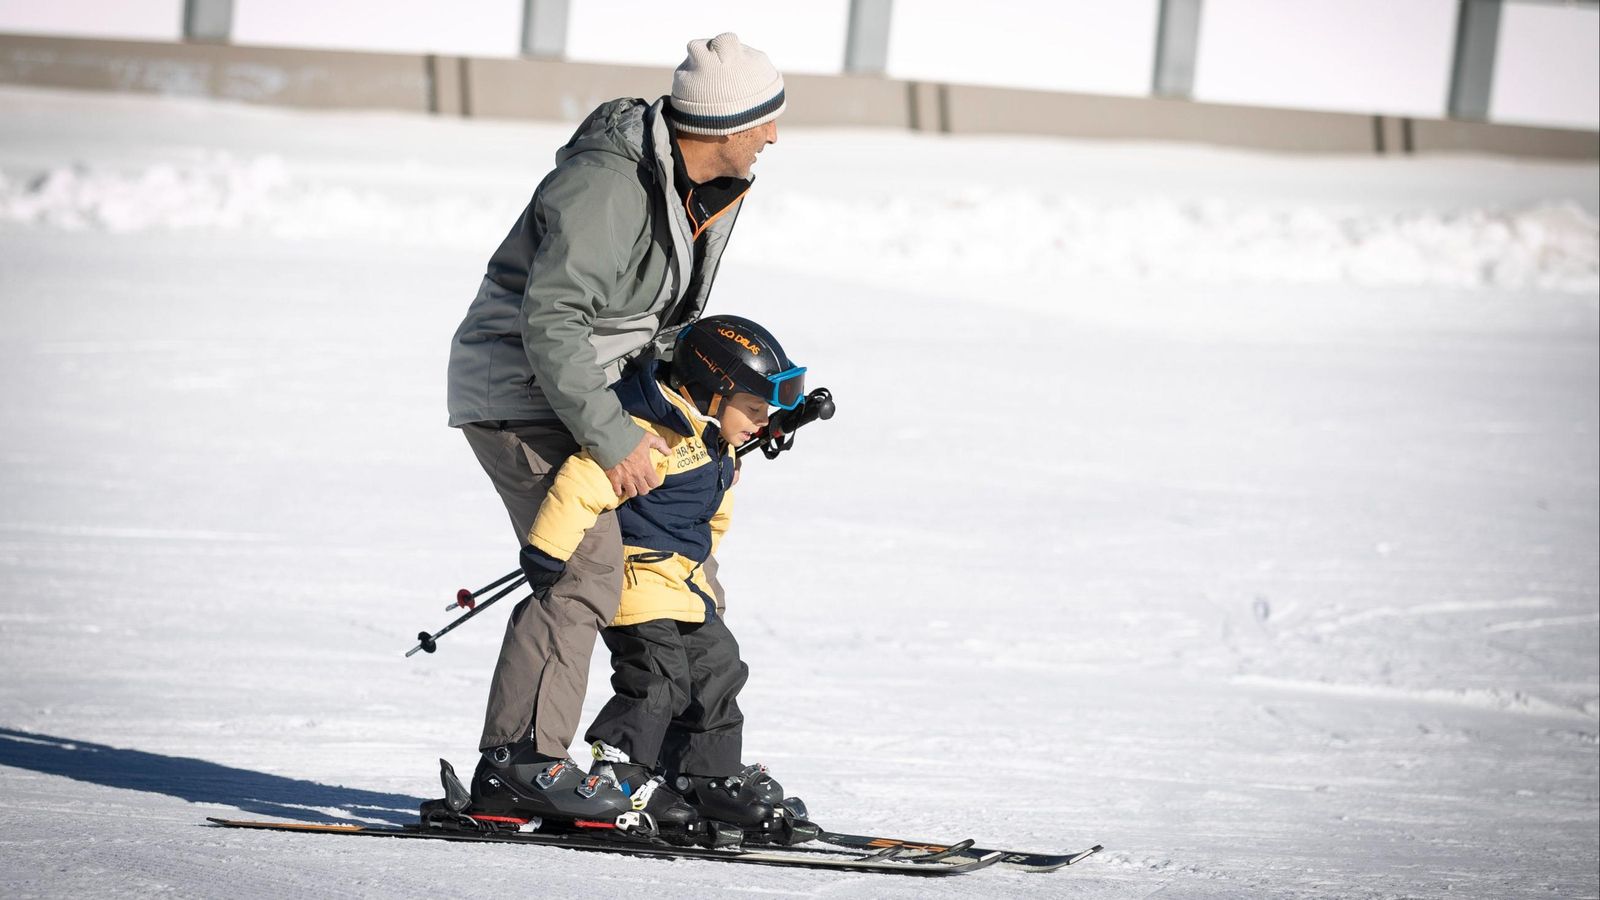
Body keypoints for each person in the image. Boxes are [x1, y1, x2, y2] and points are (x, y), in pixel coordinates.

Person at [445, 33, 785, 819]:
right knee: (586, 562)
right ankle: (520, 762)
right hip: (521, 385)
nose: (773, 136)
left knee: (679, 565)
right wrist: (613, 434)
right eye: (765, 118)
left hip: (600, 388)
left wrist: (718, 413)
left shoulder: (701, 187)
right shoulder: (610, 184)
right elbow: (553, 319)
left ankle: (679, 767)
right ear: (724, 121)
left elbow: (664, 328)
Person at [467, 316, 813, 846]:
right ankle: (621, 772)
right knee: (659, 679)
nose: (763, 421)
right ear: (711, 393)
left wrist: (702, 576)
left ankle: (703, 774)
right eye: (755, 407)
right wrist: (548, 549)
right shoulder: (649, 430)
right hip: (637, 579)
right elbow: (583, 482)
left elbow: (712, 517)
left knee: (720, 670)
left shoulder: (711, 438)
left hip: (681, 584)